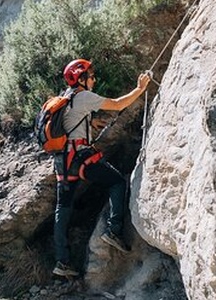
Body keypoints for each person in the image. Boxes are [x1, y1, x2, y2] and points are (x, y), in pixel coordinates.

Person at [52, 59, 151, 278]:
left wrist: (90, 125)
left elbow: (71, 123)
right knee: (116, 182)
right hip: (80, 157)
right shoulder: (84, 96)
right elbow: (116, 104)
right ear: (81, 78)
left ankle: (62, 261)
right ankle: (113, 230)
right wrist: (140, 89)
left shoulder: (65, 97)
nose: (94, 80)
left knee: (63, 209)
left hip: (62, 161)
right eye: (91, 76)